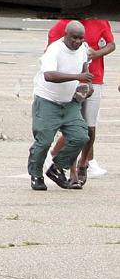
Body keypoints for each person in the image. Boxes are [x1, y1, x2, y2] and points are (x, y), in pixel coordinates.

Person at [46, 19, 113, 182]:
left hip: (94, 79)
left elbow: (111, 44)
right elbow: (50, 53)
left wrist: (95, 54)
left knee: (89, 127)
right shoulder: (62, 25)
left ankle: (84, 163)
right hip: (70, 81)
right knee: (74, 127)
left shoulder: (100, 21)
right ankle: (71, 168)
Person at [27, 21, 91, 191]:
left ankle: (56, 168)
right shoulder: (54, 49)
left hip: (69, 102)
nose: (77, 41)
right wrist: (78, 75)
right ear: (66, 35)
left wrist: (86, 87)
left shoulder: (83, 49)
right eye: (74, 38)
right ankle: (36, 174)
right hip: (47, 100)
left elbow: (85, 74)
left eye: (81, 38)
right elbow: (49, 75)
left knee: (81, 136)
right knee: (45, 141)